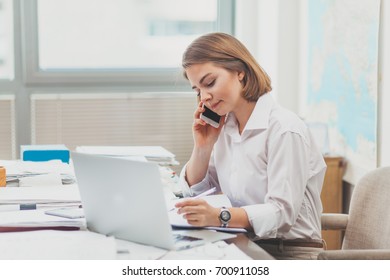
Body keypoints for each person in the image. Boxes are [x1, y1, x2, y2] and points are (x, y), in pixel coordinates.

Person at [175, 32, 327, 260]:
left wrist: (219, 216)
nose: (204, 97)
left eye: (209, 83)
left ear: (240, 72)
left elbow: (281, 212)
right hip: (242, 242)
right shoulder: (226, 127)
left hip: (289, 253)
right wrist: (203, 148)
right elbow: (199, 191)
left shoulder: (284, 129)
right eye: (197, 90)